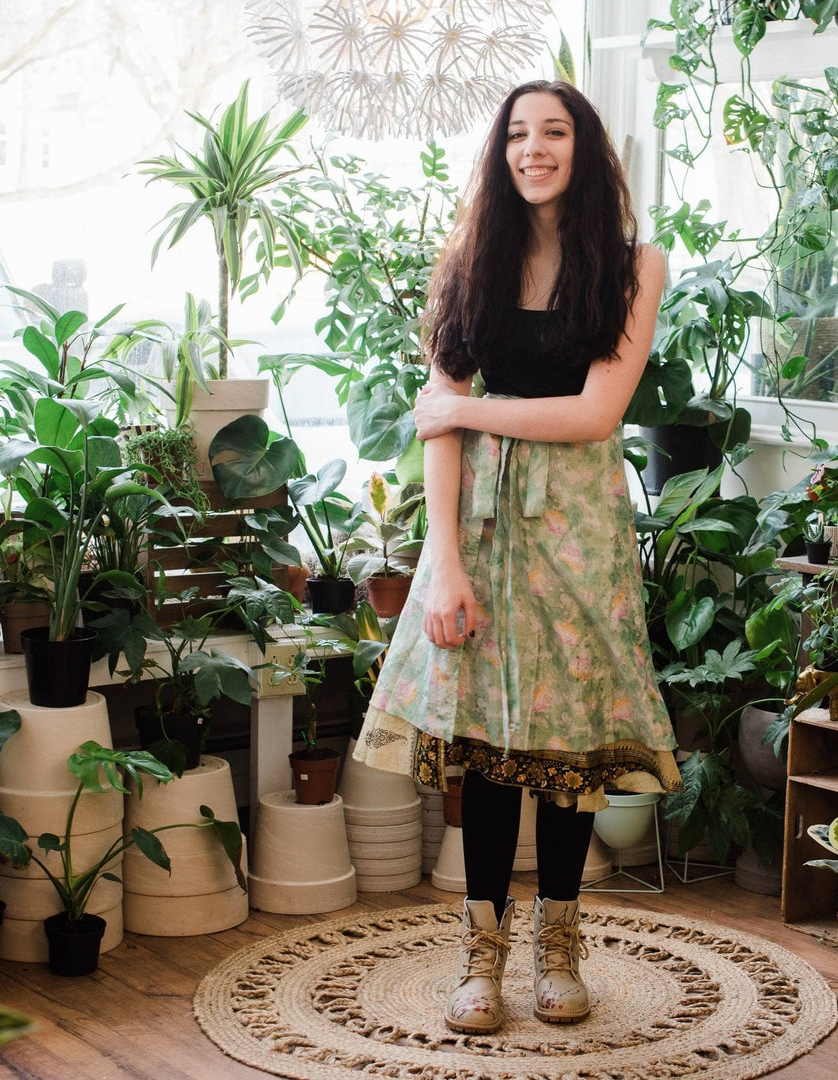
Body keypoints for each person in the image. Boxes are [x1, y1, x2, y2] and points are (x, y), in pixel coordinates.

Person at [353, 79, 681, 1035]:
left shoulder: (634, 265)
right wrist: (442, 558)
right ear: (500, 154)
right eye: (517, 136)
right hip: (484, 528)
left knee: (571, 747)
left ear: (586, 150)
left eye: (554, 132)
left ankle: (562, 947)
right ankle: (480, 958)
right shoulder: (473, 259)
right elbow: (432, 423)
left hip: (580, 524)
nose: (533, 149)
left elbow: (593, 414)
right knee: (489, 746)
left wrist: (463, 406)